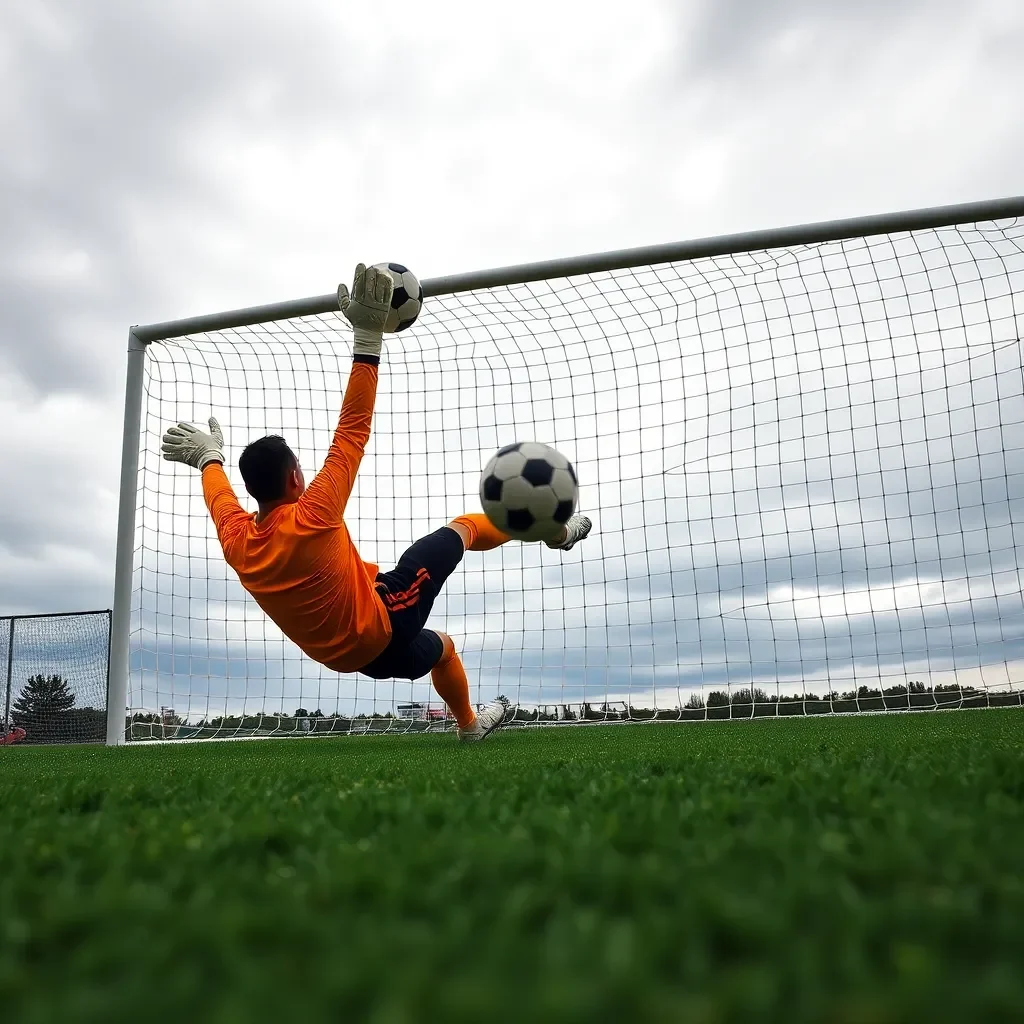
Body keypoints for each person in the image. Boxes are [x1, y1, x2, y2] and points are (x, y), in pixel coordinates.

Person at [161, 264, 591, 742]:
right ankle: (554, 533)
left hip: (350, 656)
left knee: (445, 649)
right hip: (382, 622)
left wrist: (208, 457)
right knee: (462, 530)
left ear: (254, 489)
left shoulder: (238, 541)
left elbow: (219, 497)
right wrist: (368, 338)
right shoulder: (312, 514)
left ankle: (469, 727)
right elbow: (351, 432)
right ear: (296, 477)